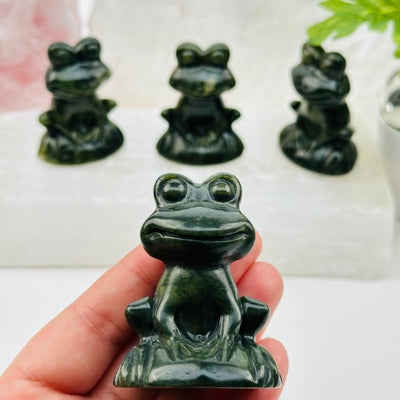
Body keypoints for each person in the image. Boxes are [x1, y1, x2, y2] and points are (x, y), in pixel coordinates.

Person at [0, 234, 288, 399]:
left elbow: (230, 311)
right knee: (138, 309)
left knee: (255, 306)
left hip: (221, 337)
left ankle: (244, 346)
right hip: (169, 335)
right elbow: (165, 311)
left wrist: (226, 339)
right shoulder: (176, 273)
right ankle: (153, 345)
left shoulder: (219, 273)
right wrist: (173, 339)